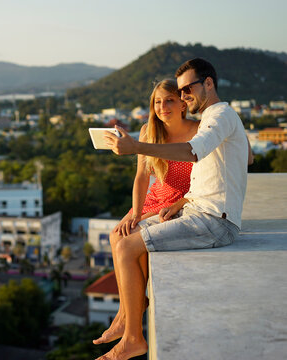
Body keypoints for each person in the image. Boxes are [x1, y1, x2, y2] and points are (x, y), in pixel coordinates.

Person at [94, 58, 252, 360]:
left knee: (127, 247)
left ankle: (132, 338)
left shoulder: (219, 115)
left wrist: (137, 147)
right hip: (197, 211)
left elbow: (191, 152)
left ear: (208, 83)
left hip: (214, 221)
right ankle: (128, 321)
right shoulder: (215, 116)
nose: (183, 96)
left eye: (186, 89)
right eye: (179, 91)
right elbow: (232, 164)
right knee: (123, 238)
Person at [92, 78, 198, 348]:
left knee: (127, 243)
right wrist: (135, 213)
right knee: (118, 234)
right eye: (158, 101)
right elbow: (141, 176)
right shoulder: (148, 130)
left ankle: (128, 319)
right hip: (155, 197)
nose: (162, 106)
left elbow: (211, 178)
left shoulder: (199, 131)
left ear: (183, 104)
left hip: (181, 201)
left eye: (169, 100)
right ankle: (127, 311)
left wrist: (185, 201)